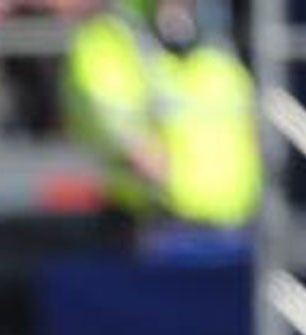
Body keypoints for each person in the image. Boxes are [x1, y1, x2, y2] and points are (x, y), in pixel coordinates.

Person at [62, 0, 262, 237]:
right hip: (161, 229)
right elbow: (115, 128)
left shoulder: (215, 43)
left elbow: (246, 119)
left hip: (238, 225)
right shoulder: (110, 38)